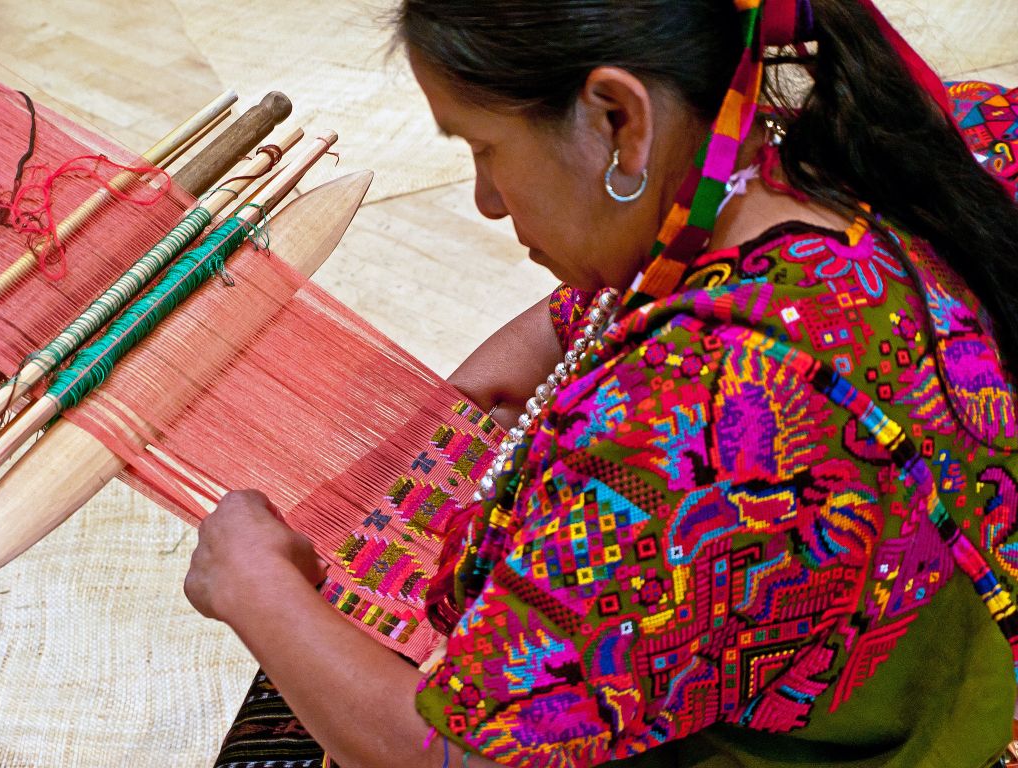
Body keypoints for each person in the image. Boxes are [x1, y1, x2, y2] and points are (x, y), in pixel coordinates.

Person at [182, 1, 1018, 766]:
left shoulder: (703, 412)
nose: (484, 200)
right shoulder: (873, 149)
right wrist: (478, 404)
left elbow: (461, 757)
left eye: (484, 149)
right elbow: (585, 308)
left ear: (620, 119)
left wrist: (252, 586)